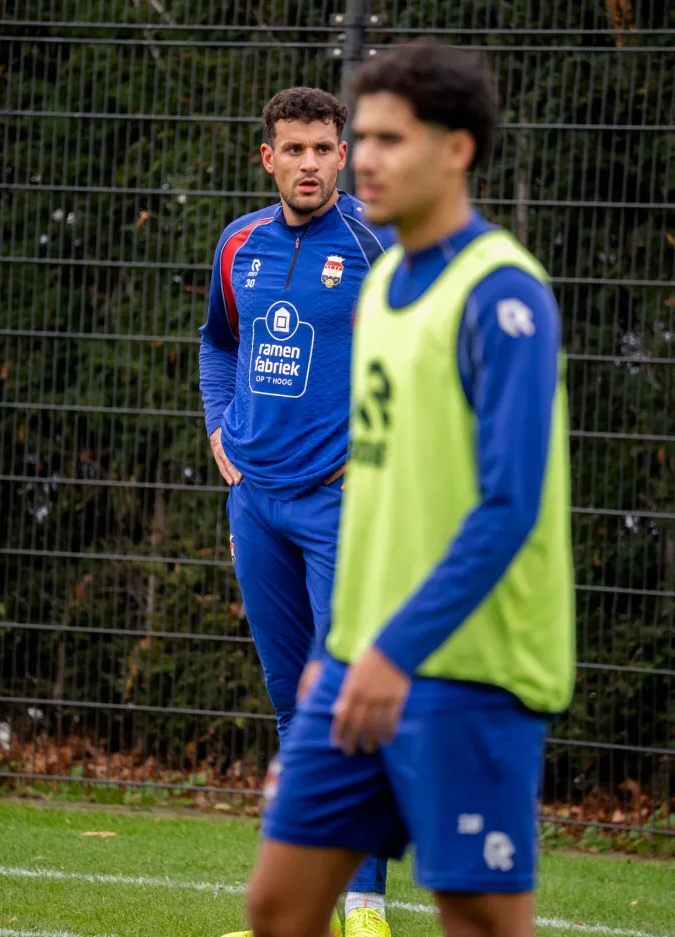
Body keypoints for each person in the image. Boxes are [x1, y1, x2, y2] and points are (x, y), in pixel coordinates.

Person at [246, 38, 576, 937]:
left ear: (456, 149)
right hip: (361, 657)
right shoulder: (386, 278)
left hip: (473, 666)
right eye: (365, 138)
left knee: (478, 919)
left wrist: (393, 651)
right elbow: (382, 492)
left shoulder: (503, 296)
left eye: (391, 139)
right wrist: (345, 644)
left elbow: (508, 508)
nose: (364, 159)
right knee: (279, 904)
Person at [199, 86, 396, 937]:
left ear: (342, 156)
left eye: (323, 148)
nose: (309, 164)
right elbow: (218, 340)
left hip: (341, 506)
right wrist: (219, 425)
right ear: (268, 158)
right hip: (256, 503)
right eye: (294, 149)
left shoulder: (379, 244)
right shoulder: (237, 243)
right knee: (290, 702)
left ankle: (366, 906)